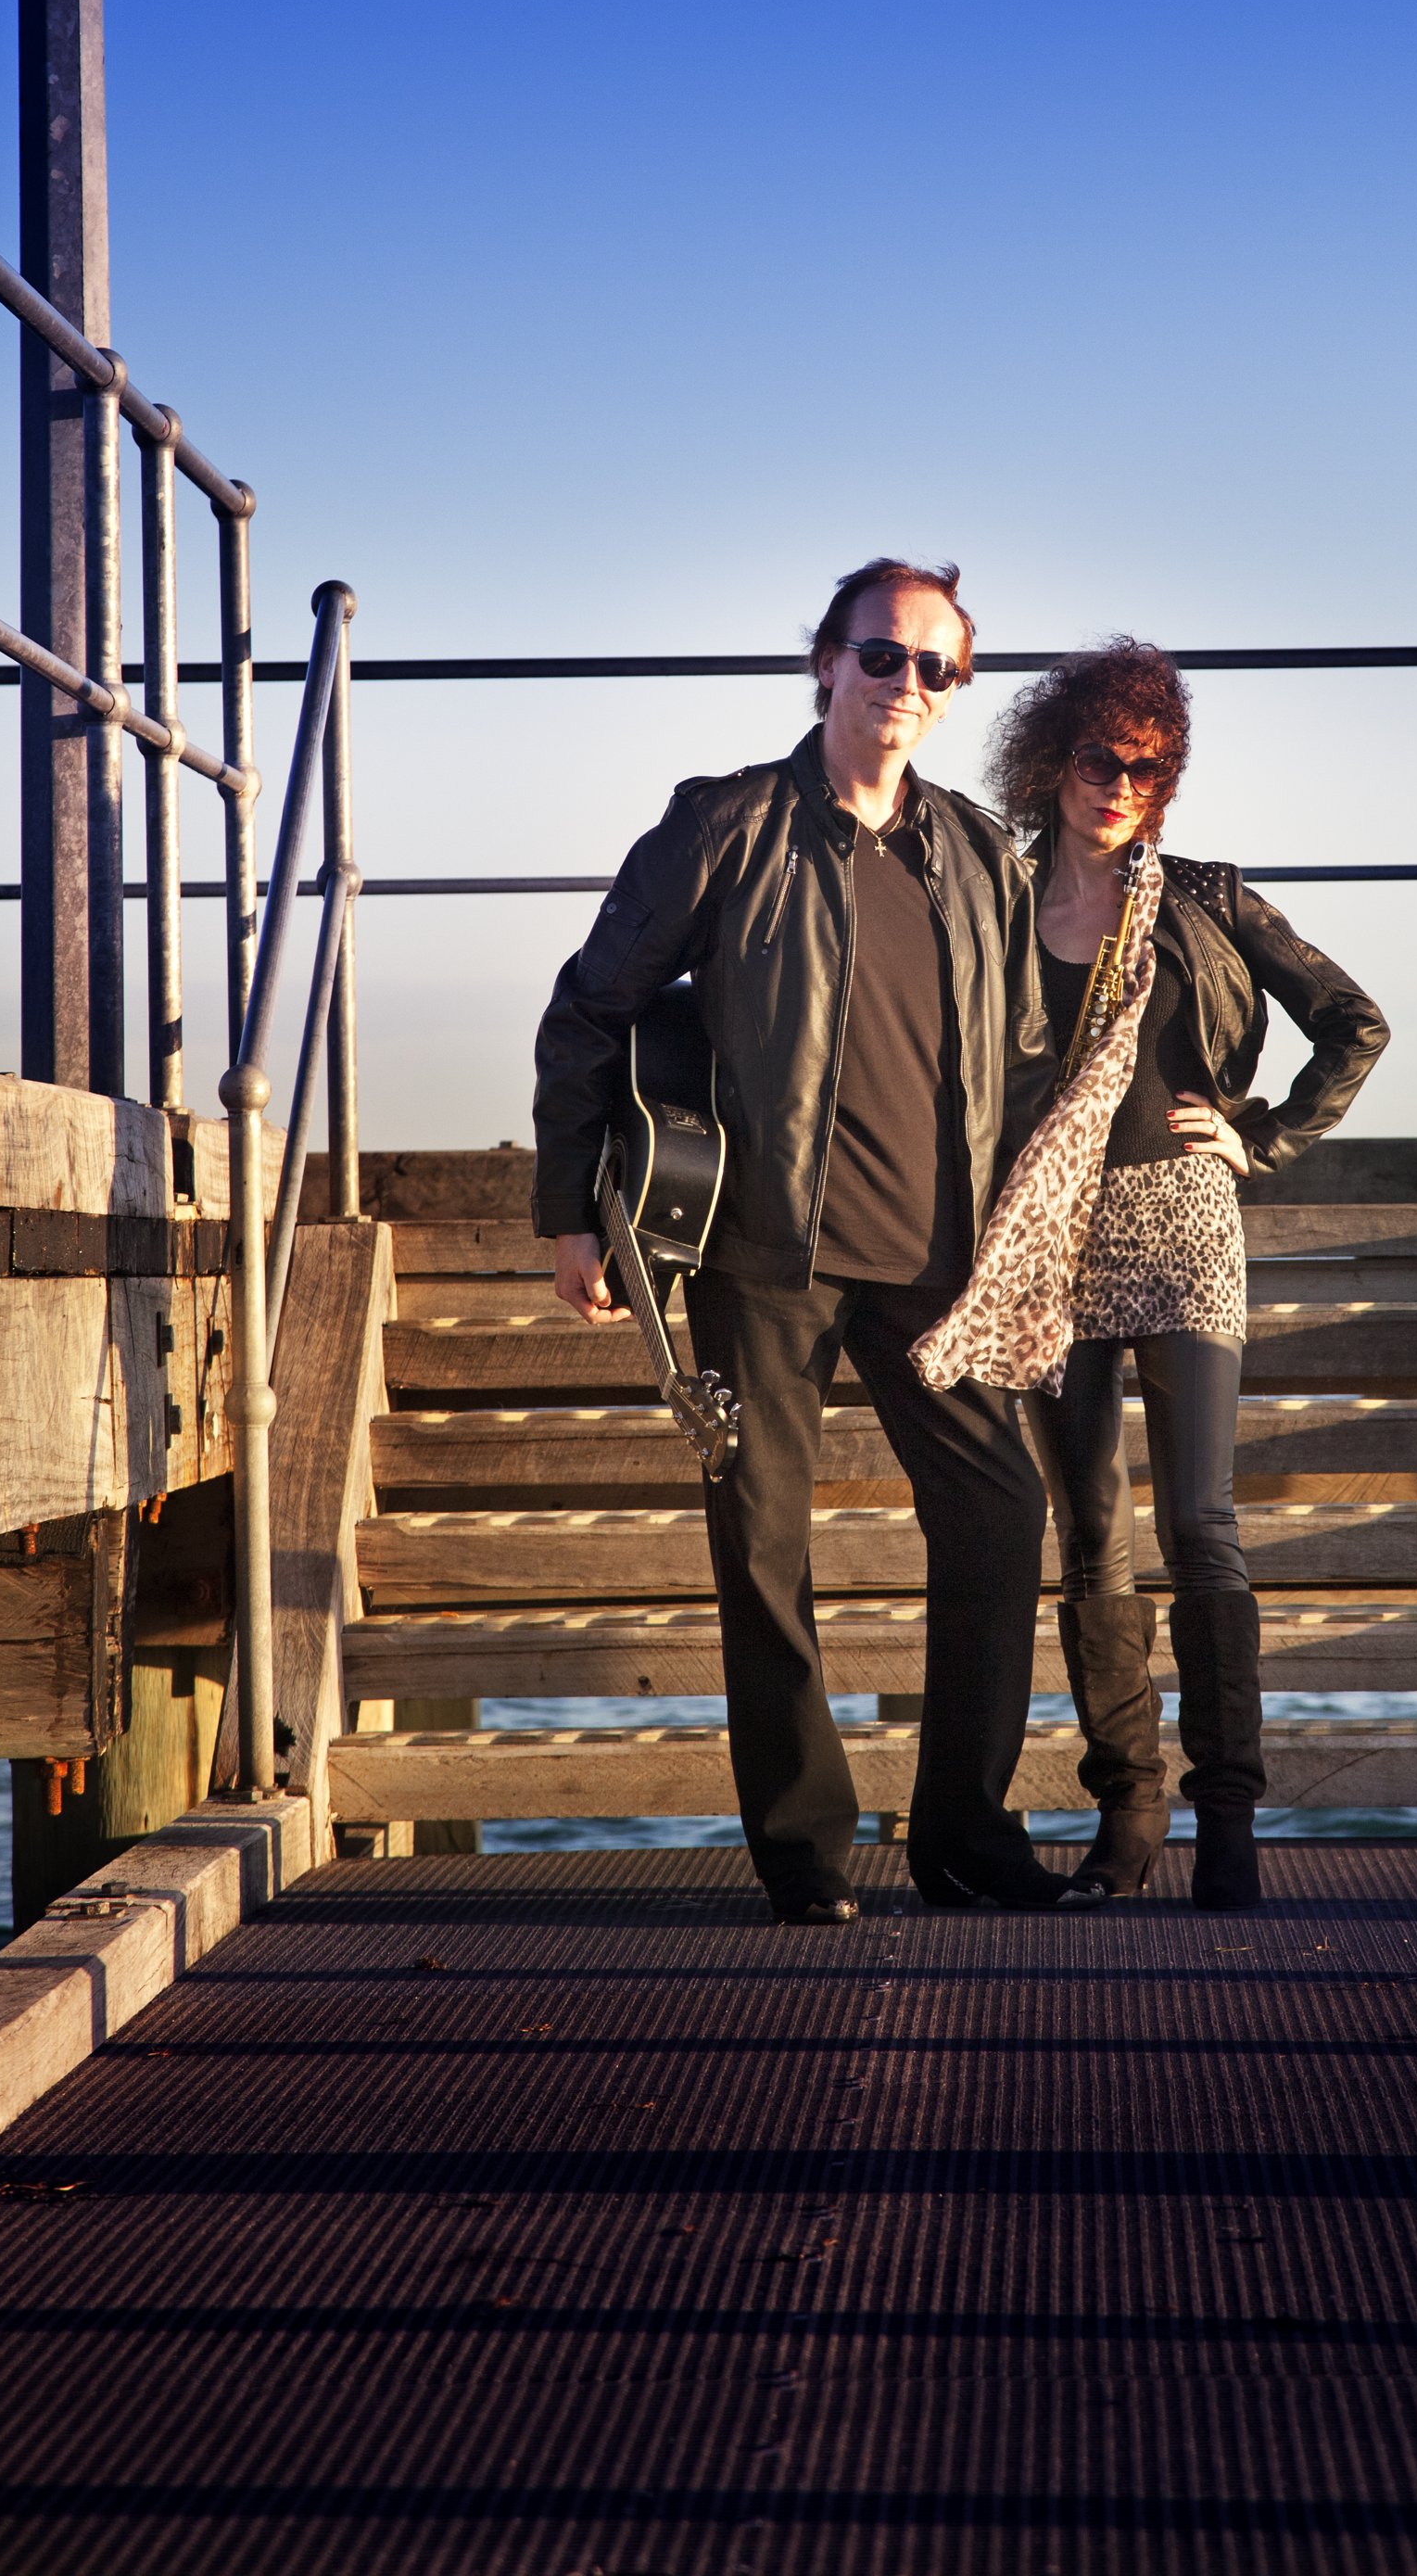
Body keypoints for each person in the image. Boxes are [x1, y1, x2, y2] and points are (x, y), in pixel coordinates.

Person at [531, 558, 1062, 1924]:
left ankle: (963, 1836)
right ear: (823, 664)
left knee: (1002, 1519)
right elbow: (592, 1005)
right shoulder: (731, 822)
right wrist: (571, 1210)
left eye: (934, 666)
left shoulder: (976, 856)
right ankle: (806, 1849)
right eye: (881, 657)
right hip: (767, 1255)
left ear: (956, 692)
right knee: (765, 1545)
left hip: (940, 1268)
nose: (905, 685)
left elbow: (1023, 1052)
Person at [921, 640, 1387, 1911]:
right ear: (1050, 760)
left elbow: (1357, 1022)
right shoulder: (996, 905)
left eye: (1148, 765)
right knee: (1090, 1543)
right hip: (1048, 1237)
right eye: (1098, 758)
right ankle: (1126, 1815)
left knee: (1202, 1527)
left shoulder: (1210, 897)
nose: (1120, 783)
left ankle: (1228, 1819)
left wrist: (1267, 1136)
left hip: (1182, 1221)